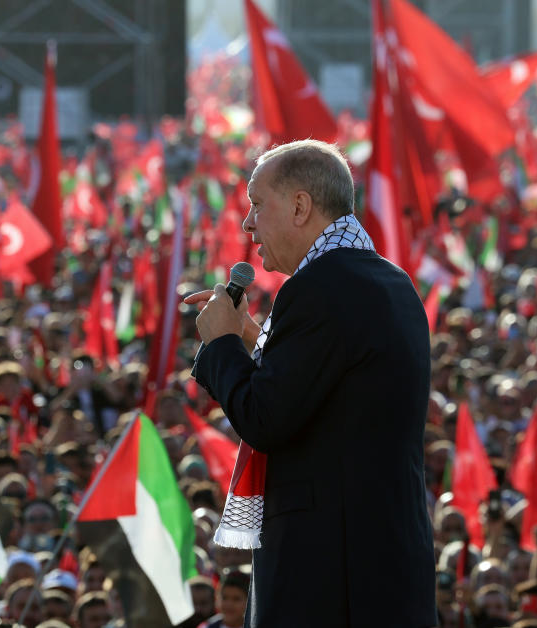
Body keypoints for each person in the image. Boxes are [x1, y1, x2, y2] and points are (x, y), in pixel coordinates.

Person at [187, 140, 436, 626]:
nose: (248, 223)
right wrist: (253, 339)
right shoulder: (388, 280)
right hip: (380, 567)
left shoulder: (320, 287)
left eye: (258, 204)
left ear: (300, 206)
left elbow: (266, 418)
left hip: (331, 577)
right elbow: (326, 394)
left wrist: (221, 345)